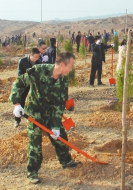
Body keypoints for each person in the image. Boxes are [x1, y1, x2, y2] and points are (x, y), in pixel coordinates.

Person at [9, 52, 81, 184]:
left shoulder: (64, 80)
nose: (71, 69)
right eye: (70, 66)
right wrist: (17, 104)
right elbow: (19, 82)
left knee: (61, 138)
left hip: (50, 113)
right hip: (34, 112)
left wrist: (55, 125)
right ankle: (32, 172)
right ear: (61, 64)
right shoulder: (38, 70)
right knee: (35, 144)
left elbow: (60, 104)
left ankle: (66, 161)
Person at [14, 48, 41, 127]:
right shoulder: (22, 61)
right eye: (35, 57)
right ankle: (17, 120)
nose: (37, 59)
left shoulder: (39, 63)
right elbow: (19, 74)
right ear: (30, 55)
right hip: (24, 85)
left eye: (38, 57)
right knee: (21, 102)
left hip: (34, 86)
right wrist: (27, 79)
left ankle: (34, 120)